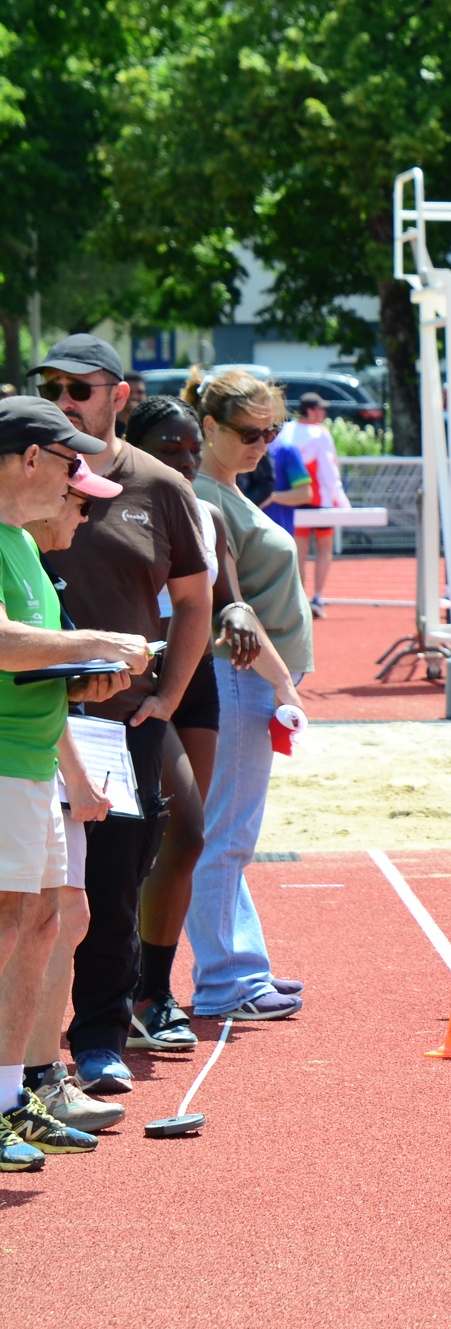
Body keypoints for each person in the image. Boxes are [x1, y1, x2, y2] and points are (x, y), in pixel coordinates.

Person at [35, 335, 214, 1097]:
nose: (64, 400)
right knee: (35, 895)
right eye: (52, 386)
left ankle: (101, 1036)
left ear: (119, 395)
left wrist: (167, 697)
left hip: (121, 722)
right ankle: (29, 1056)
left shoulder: (161, 485)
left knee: (113, 885)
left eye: (79, 388)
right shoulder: (28, 475)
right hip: (30, 716)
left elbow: (196, 600)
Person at [0, 397, 152, 1167]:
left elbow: (29, 660)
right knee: (11, 926)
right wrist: (100, 641)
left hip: (29, 763)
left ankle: (14, 1097)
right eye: (68, 463)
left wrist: (80, 674)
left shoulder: (20, 544)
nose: (76, 481)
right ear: (31, 458)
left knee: (40, 923)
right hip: (5, 762)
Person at [124, 395, 301, 1050]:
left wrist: (237, 617)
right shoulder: (105, 507)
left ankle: (153, 990)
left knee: (185, 835)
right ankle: (133, 988)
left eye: (189, 450)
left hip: (194, 684)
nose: (183, 461)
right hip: (134, 684)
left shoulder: (206, 513)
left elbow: (228, 600)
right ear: (134, 447)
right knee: (148, 838)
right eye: (168, 449)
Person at [187, 368, 314, 1021]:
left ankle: (240, 966)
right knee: (225, 833)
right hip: (239, 676)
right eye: (248, 432)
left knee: (229, 831)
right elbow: (228, 609)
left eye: (272, 432)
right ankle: (223, 980)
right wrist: (283, 679)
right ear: (209, 426)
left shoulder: (229, 491)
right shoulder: (205, 496)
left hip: (247, 678)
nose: (262, 444)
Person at [22, 456, 140, 1135]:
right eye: (79, 501)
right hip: (22, 764)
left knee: (62, 918)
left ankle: (38, 1079)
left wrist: (79, 684)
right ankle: (29, 1082)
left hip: (40, 758)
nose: (86, 516)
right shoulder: (15, 554)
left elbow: (41, 679)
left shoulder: (34, 562)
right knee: (38, 922)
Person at [277, 392, 346, 615]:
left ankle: (299, 598)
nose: (324, 413)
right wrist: (341, 501)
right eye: (320, 409)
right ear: (310, 410)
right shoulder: (320, 434)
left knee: (299, 552)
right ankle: (317, 597)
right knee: (324, 549)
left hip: (295, 498)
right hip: (320, 500)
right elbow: (329, 470)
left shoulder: (286, 431)